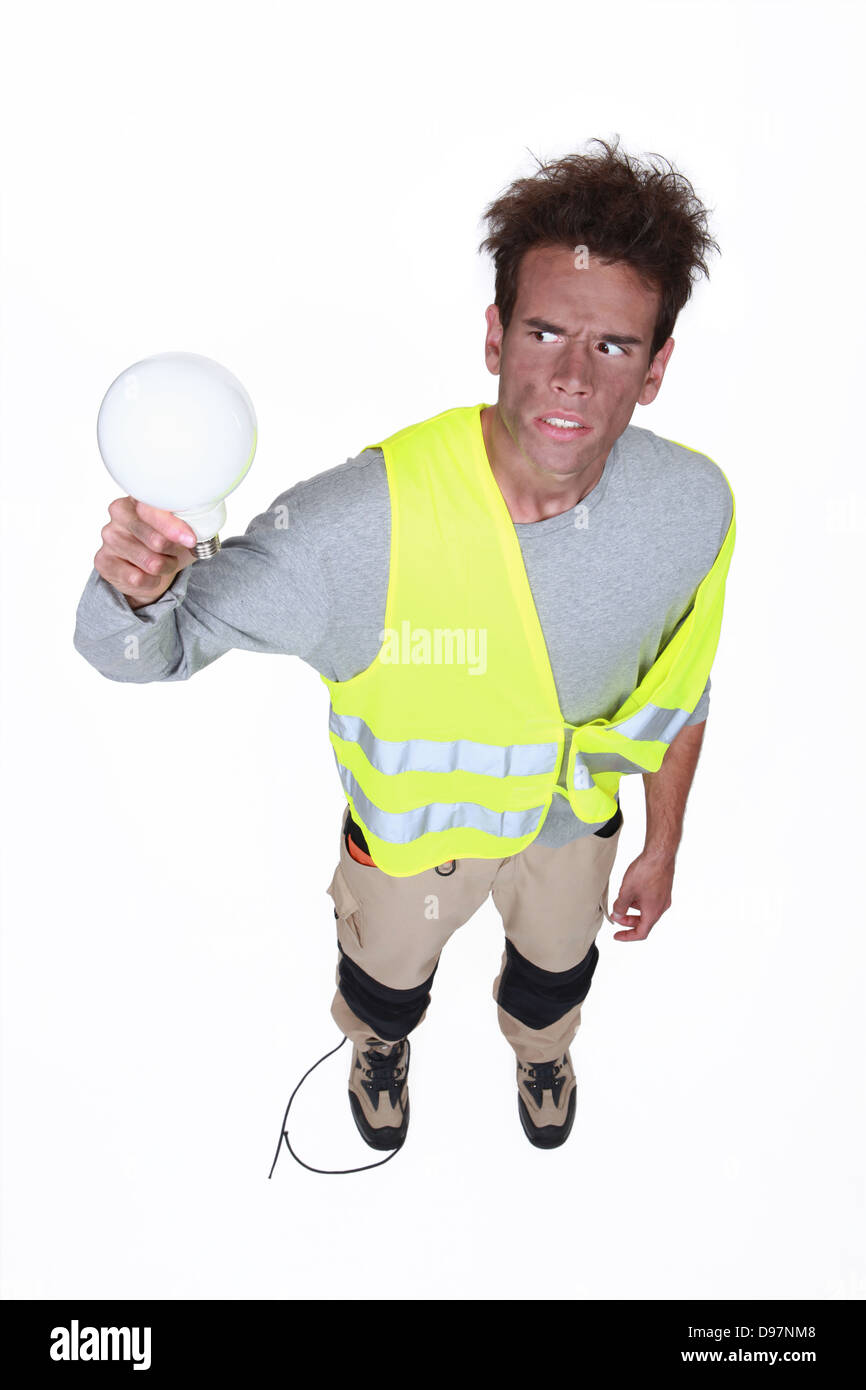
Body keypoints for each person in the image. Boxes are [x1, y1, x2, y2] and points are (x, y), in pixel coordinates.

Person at [74, 135, 734, 1156]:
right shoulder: (355, 528)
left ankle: (540, 1049)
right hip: (409, 852)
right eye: (543, 331)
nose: (566, 376)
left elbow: (679, 691)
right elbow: (136, 653)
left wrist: (661, 840)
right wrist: (136, 588)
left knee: (554, 973)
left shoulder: (692, 507)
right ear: (493, 336)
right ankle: (378, 1046)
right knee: (383, 988)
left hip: (570, 834)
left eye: (608, 346)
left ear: (654, 368)